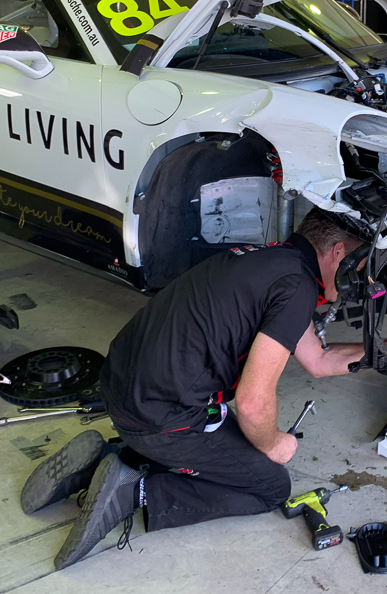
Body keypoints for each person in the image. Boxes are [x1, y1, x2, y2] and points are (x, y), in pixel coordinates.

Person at [19, 209, 368, 570]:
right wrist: (274, 444)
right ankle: (134, 490)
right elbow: (252, 404)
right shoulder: (297, 288)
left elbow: (318, 359)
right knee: (269, 487)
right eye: (358, 267)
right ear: (338, 252)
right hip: (161, 416)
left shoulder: (267, 260)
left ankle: (105, 459)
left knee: (230, 443)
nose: (358, 279)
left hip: (119, 387)